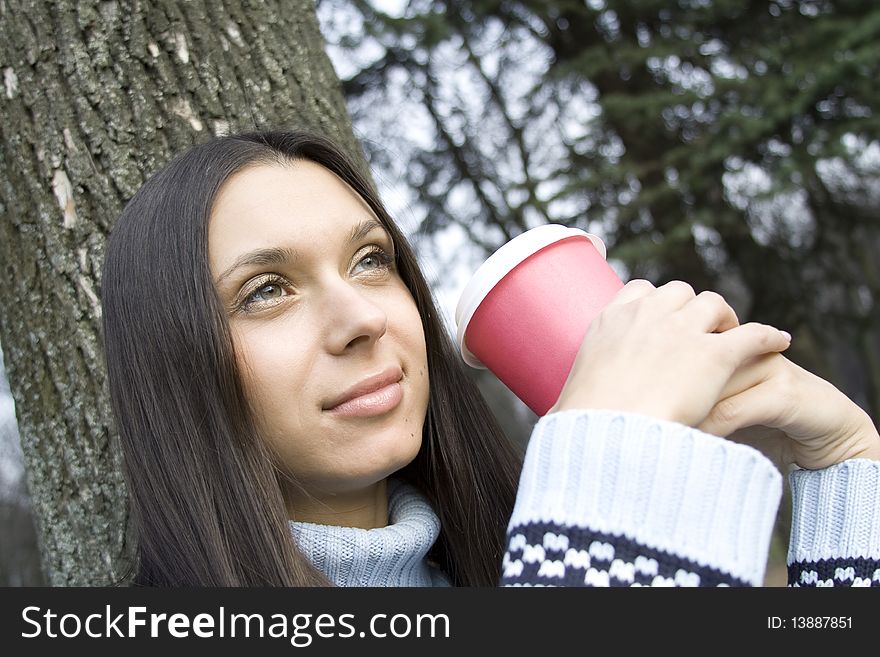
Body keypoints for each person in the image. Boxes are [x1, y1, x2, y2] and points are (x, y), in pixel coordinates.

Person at [101, 130, 880, 587]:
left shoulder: (520, 563)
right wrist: (606, 474)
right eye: (268, 289)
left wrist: (847, 472)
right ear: (174, 364)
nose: (361, 317)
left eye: (371, 260)